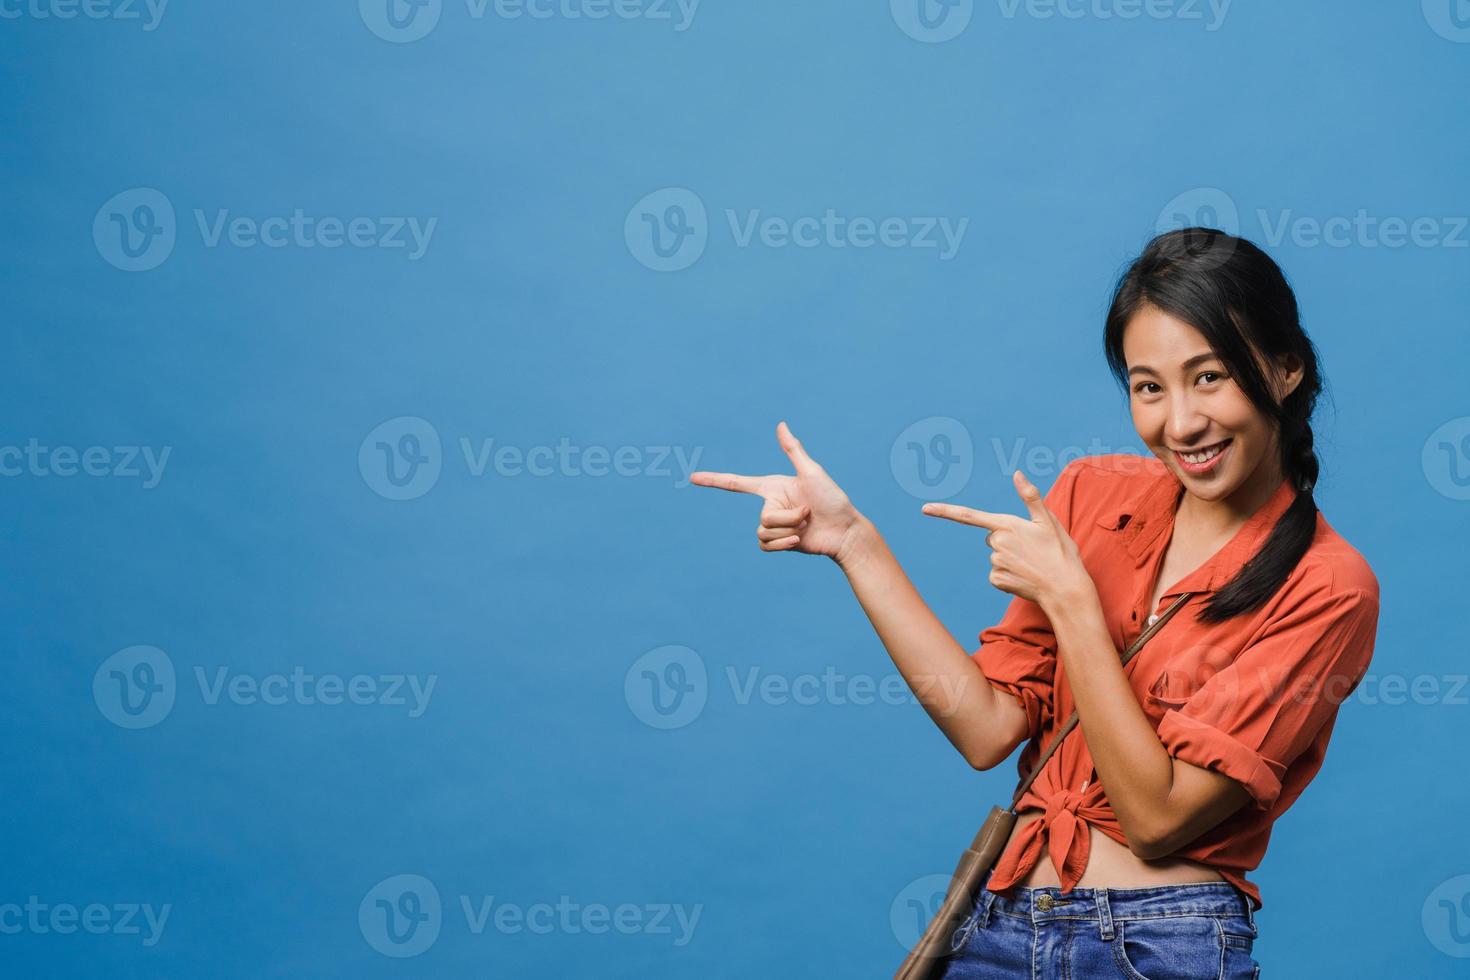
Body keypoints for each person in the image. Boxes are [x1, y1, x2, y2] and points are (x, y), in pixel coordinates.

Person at [689, 228, 1381, 978]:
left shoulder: (1328, 587)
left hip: (1161, 945)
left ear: (1284, 369)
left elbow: (1156, 820)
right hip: (1002, 922)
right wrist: (854, 543)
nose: (1179, 423)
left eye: (1209, 377)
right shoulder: (1091, 496)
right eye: (1149, 387)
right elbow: (987, 730)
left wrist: (1072, 603)